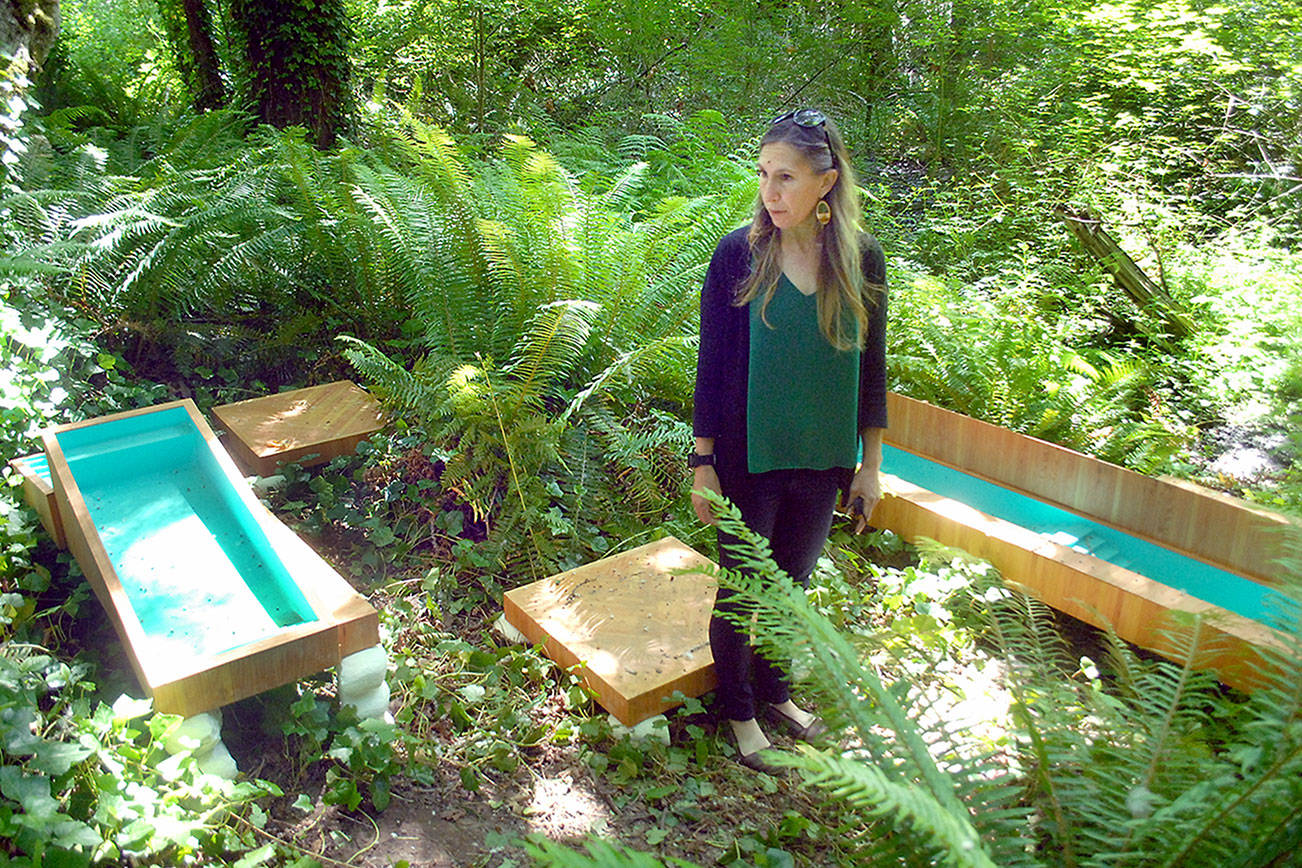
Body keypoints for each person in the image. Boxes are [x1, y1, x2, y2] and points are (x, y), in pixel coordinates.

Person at [690, 108, 887, 772]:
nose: (770, 193)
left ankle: (776, 693)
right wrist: (703, 462)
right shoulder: (738, 255)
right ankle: (739, 712)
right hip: (750, 457)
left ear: (826, 182)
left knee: (791, 587)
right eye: (764, 175)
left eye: (787, 178)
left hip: (824, 457)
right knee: (743, 588)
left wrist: (870, 465)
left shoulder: (862, 261)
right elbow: (712, 366)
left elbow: (872, 370)